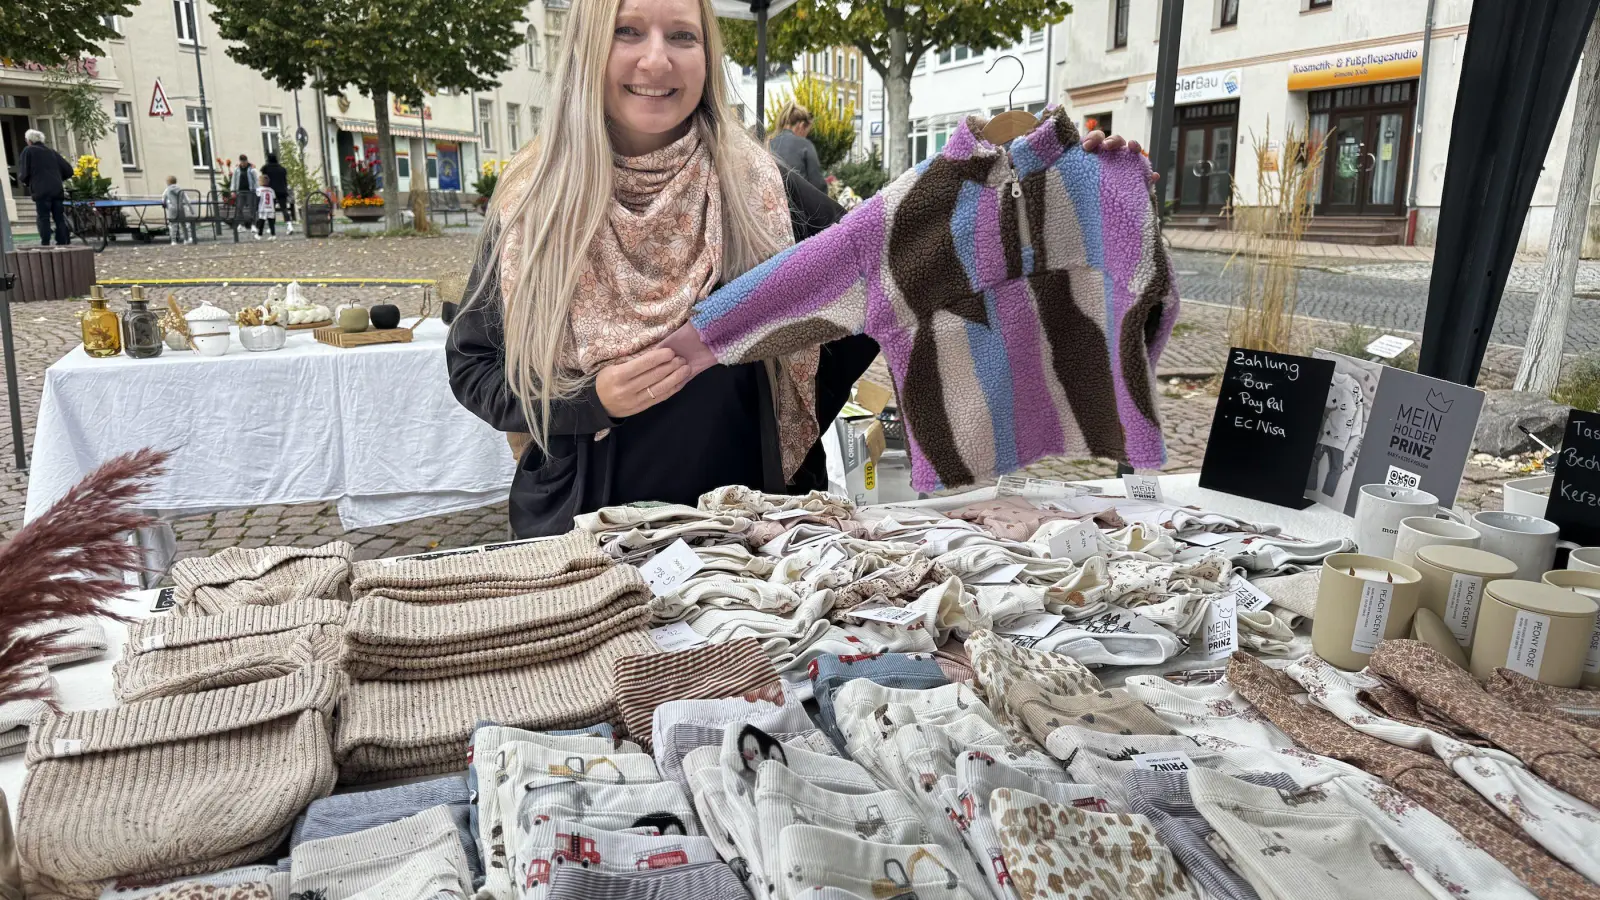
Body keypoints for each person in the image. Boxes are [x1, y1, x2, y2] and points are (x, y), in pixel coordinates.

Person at [15, 130, 74, 246]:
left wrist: (26, 182)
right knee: (59, 217)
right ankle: (62, 241)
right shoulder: (51, 152)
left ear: (29, 141)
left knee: (43, 217)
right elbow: (69, 170)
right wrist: (58, 179)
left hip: (41, 190)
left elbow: (24, 172)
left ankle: (45, 242)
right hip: (57, 190)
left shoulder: (28, 151)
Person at [768, 103, 826, 194]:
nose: (805, 136)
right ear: (801, 125)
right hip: (799, 205)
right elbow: (818, 185)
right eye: (807, 132)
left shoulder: (768, 144)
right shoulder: (805, 145)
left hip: (773, 204)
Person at [259, 152, 294, 235]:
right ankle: (289, 225)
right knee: (284, 209)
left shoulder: (266, 168)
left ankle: (271, 227)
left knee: (271, 210)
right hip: (282, 191)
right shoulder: (282, 169)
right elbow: (285, 181)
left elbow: (264, 179)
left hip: (271, 192)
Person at [162, 176, 196, 245]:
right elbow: (186, 200)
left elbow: (164, 199)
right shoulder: (180, 190)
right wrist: (191, 210)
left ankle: (173, 241)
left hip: (172, 209)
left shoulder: (167, 190)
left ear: (168, 182)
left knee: (173, 225)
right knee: (183, 224)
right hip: (181, 208)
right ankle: (186, 239)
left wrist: (165, 205)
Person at [231, 154, 258, 235]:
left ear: (247, 160)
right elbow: (234, 180)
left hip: (250, 191)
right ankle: (241, 225)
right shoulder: (237, 169)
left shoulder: (252, 168)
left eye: (244, 161)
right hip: (240, 191)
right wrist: (233, 191)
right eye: (242, 162)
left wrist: (257, 190)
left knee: (252, 208)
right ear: (240, 161)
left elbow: (255, 180)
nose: (243, 163)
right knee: (239, 208)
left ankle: (253, 225)